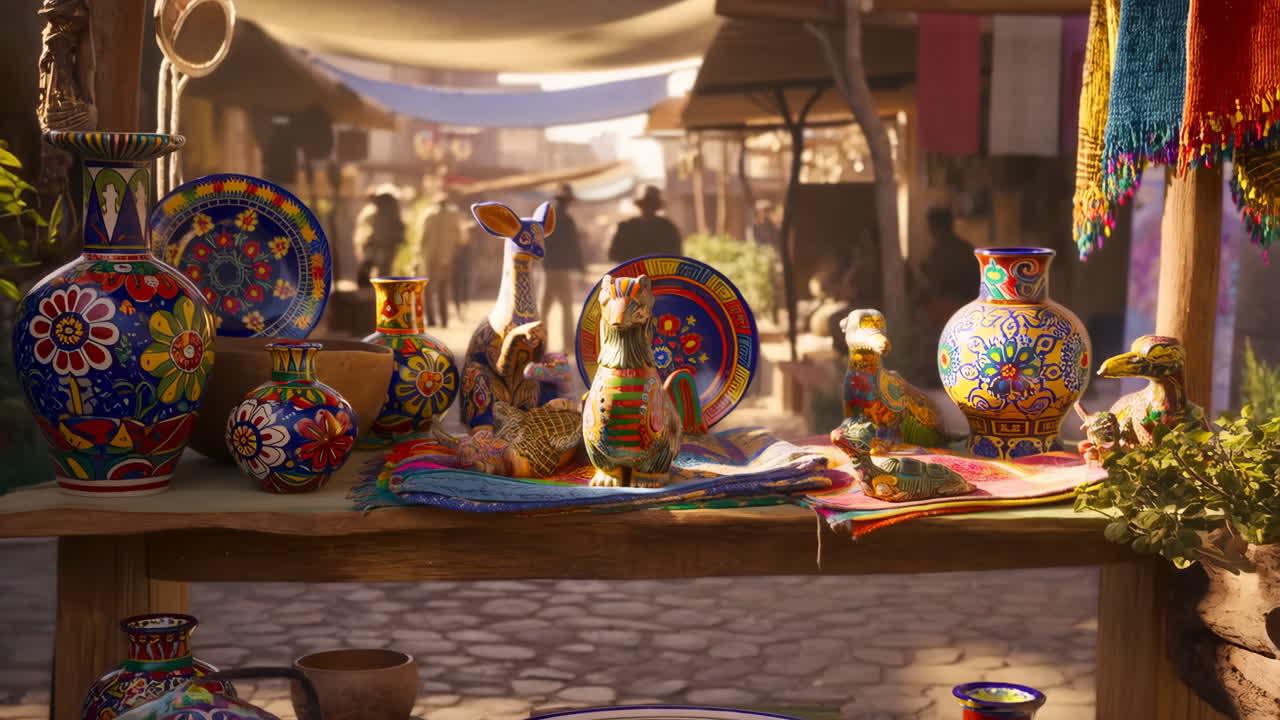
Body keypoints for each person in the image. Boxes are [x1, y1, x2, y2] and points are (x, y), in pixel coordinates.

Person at [541, 184, 586, 354]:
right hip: (562, 269)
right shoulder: (567, 220)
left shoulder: (547, 219)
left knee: (544, 309)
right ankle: (567, 345)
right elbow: (574, 246)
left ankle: (540, 344)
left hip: (549, 268)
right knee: (566, 308)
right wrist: (581, 267)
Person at [417, 188, 467, 328]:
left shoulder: (428, 214)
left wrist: (418, 255)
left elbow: (422, 237)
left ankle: (431, 319)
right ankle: (444, 320)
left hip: (429, 257)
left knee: (428, 288)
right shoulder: (453, 215)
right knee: (443, 288)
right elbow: (460, 239)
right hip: (446, 258)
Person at [608, 185, 682, 263]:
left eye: (651, 205)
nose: (648, 208)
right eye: (647, 205)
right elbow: (614, 254)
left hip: (657, 271)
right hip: (634, 270)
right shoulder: (626, 227)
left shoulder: (667, 227)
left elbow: (675, 254)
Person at [353, 185, 405, 288]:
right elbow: (400, 224)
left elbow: (365, 226)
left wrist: (367, 240)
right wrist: (399, 238)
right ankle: (383, 290)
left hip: (377, 241)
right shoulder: (393, 205)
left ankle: (371, 289)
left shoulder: (374, 208)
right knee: (385, 269)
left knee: (369, 264)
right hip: (390, 242)